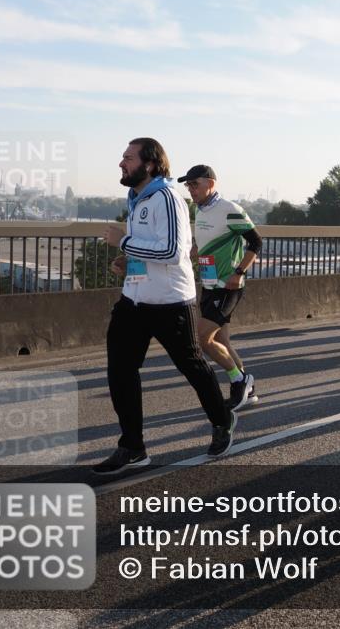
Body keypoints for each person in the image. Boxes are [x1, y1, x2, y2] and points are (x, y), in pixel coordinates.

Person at [96, 139, 236, 474]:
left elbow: (173, 252)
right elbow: (152, 250)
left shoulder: (167, 197)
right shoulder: (138, 198)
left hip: (171, 304)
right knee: (120, 369)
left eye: (128, 158)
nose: (121, 163)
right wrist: (129, 263)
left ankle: (221, 419)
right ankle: (132, 446)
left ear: (151, 164)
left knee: (191, 365)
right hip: (134, 300)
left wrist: (124, 241)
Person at [181, 164, 263, 410]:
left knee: (203, 339)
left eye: (195, 184)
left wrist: (239, 273)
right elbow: (201, 247)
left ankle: (240, 380)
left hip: (227, 286)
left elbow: (256, 243)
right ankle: (249, 391)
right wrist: (187, 256)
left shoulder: (229, 209)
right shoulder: (201, 210)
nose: (191, 189)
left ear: (211, 184)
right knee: (222, 343)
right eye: (188, 185)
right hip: (208, 284)